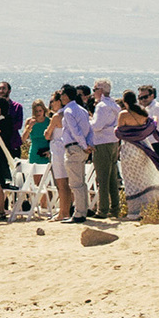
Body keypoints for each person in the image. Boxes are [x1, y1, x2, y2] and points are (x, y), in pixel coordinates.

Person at [55, 86, 94, 223]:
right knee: (81, 183)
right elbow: (90, 129)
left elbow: (75, 131)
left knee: (75, 183)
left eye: (62, 94)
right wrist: (88, 145)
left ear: (66, 96)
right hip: (82, 148)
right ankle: (83, 210)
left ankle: (78, 213)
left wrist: (84, 145)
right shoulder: (82, 110)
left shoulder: (68, 111)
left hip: (73, 148)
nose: (60, 97)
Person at [88, 79, 123, 221]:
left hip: (102, 143)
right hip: (113, 142)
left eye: (95, 89)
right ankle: (115, 207)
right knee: (112, 178)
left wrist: (88, 120)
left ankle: (103, 209)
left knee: (102, 177)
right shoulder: (114, 105)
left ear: (100, 90)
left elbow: (96, 126)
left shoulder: (102, 106)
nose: (93, 92)